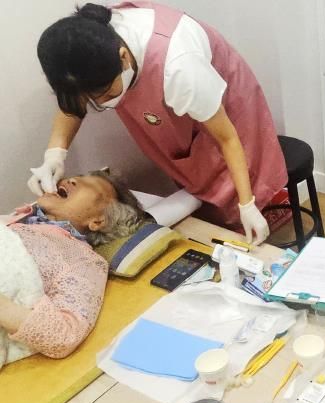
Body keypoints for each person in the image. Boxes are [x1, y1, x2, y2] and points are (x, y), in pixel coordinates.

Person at [31, 2, 286, 244]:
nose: (99, 104)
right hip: (179, 108)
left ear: (123, 58)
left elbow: (228, 139)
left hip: (222, 109)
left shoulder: (179, 66)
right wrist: (55, 154)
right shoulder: (86, 46)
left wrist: (247, 205)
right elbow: (73, 104)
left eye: (105, 95)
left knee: (228, 185)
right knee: (200, 182)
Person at [1, 170, 145, 362]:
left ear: (98, 220)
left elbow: (63, 337)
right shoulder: (11, 222)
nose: (71, 179)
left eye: (90, 185)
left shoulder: (84, 261)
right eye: (76, 177)